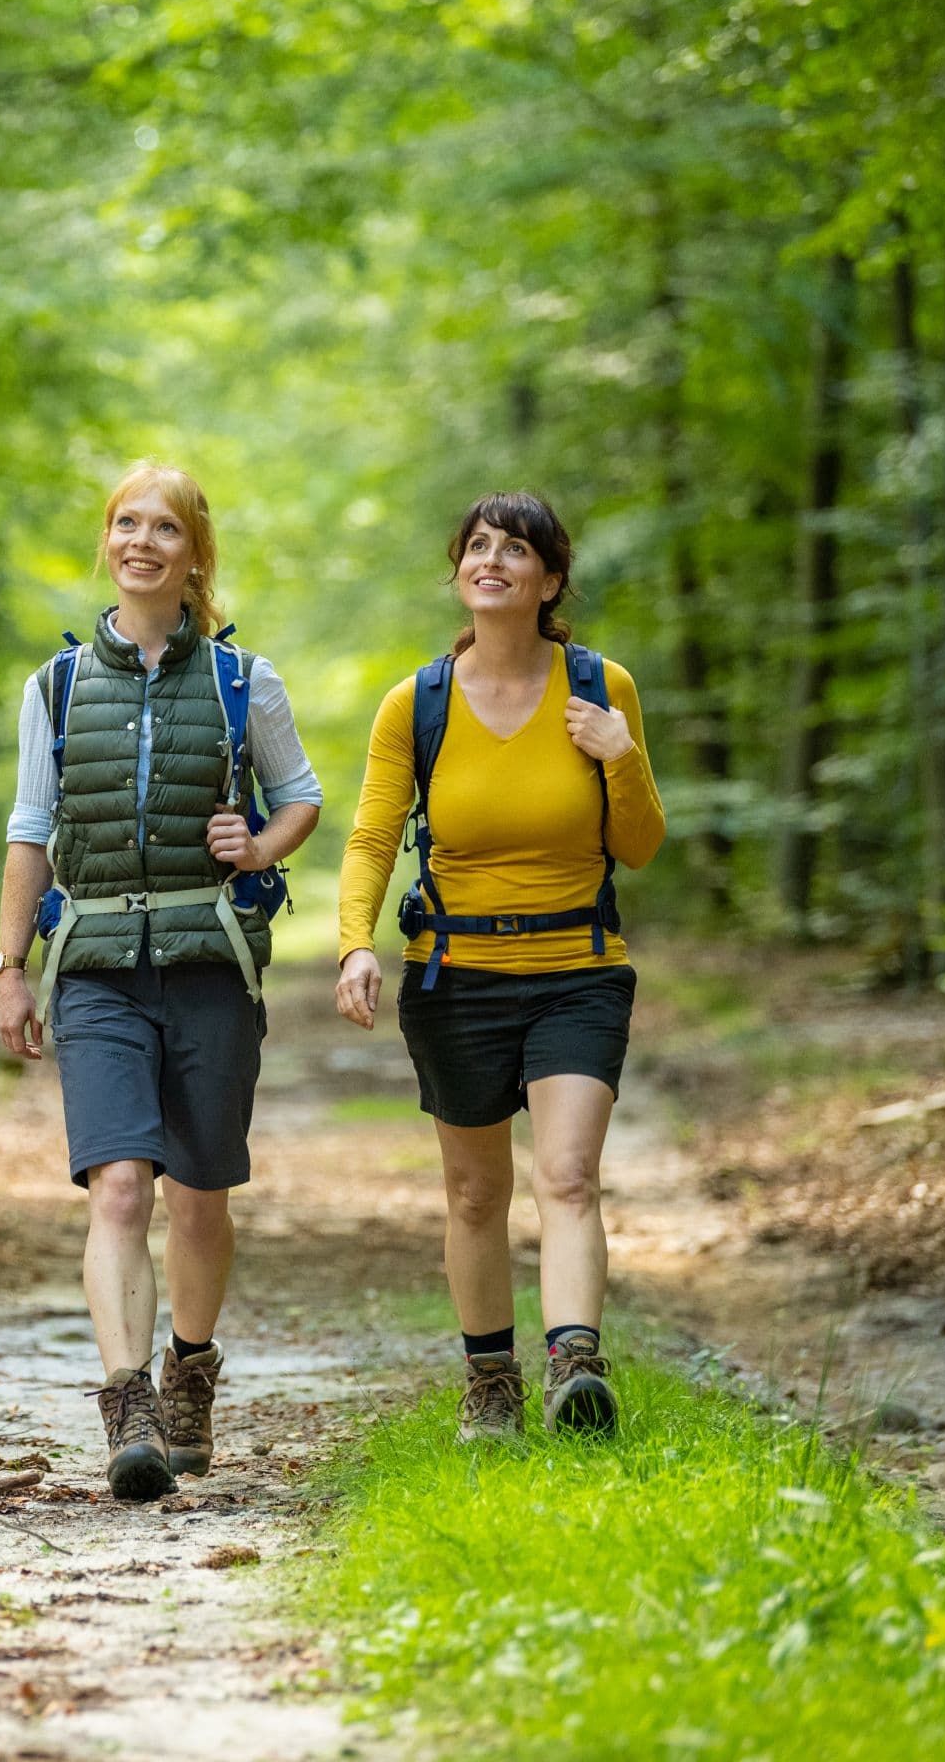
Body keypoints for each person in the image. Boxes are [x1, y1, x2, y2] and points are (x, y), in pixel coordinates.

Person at [0, 461, 322, 1501]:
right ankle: (127, 1400)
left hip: (209, 961)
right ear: (108, 541)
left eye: (164, 527)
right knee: (121, 1185)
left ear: (194, 552)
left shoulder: (241, 681)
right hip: (92, 965)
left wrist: (258, 844)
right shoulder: (54, 686)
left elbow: (303, 795)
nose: (142, 541)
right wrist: (10, 966)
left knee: (202, 1190)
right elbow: (30, 829)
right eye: (126, 522)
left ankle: (191, 1368)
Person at [332, 491, 665, 1441]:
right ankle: (491, 1386)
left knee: (568, 1176)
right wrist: (356, 940)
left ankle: (574, 1370)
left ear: (549, 580)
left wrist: (620, 755)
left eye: (515, 550)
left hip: (578, 967)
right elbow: (370, 836)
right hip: (455, 978)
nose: (492, 561)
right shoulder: (418, 702)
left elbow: (639, 845)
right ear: (461, 573)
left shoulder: (604, 688)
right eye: (477, 546)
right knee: (477, 1192)